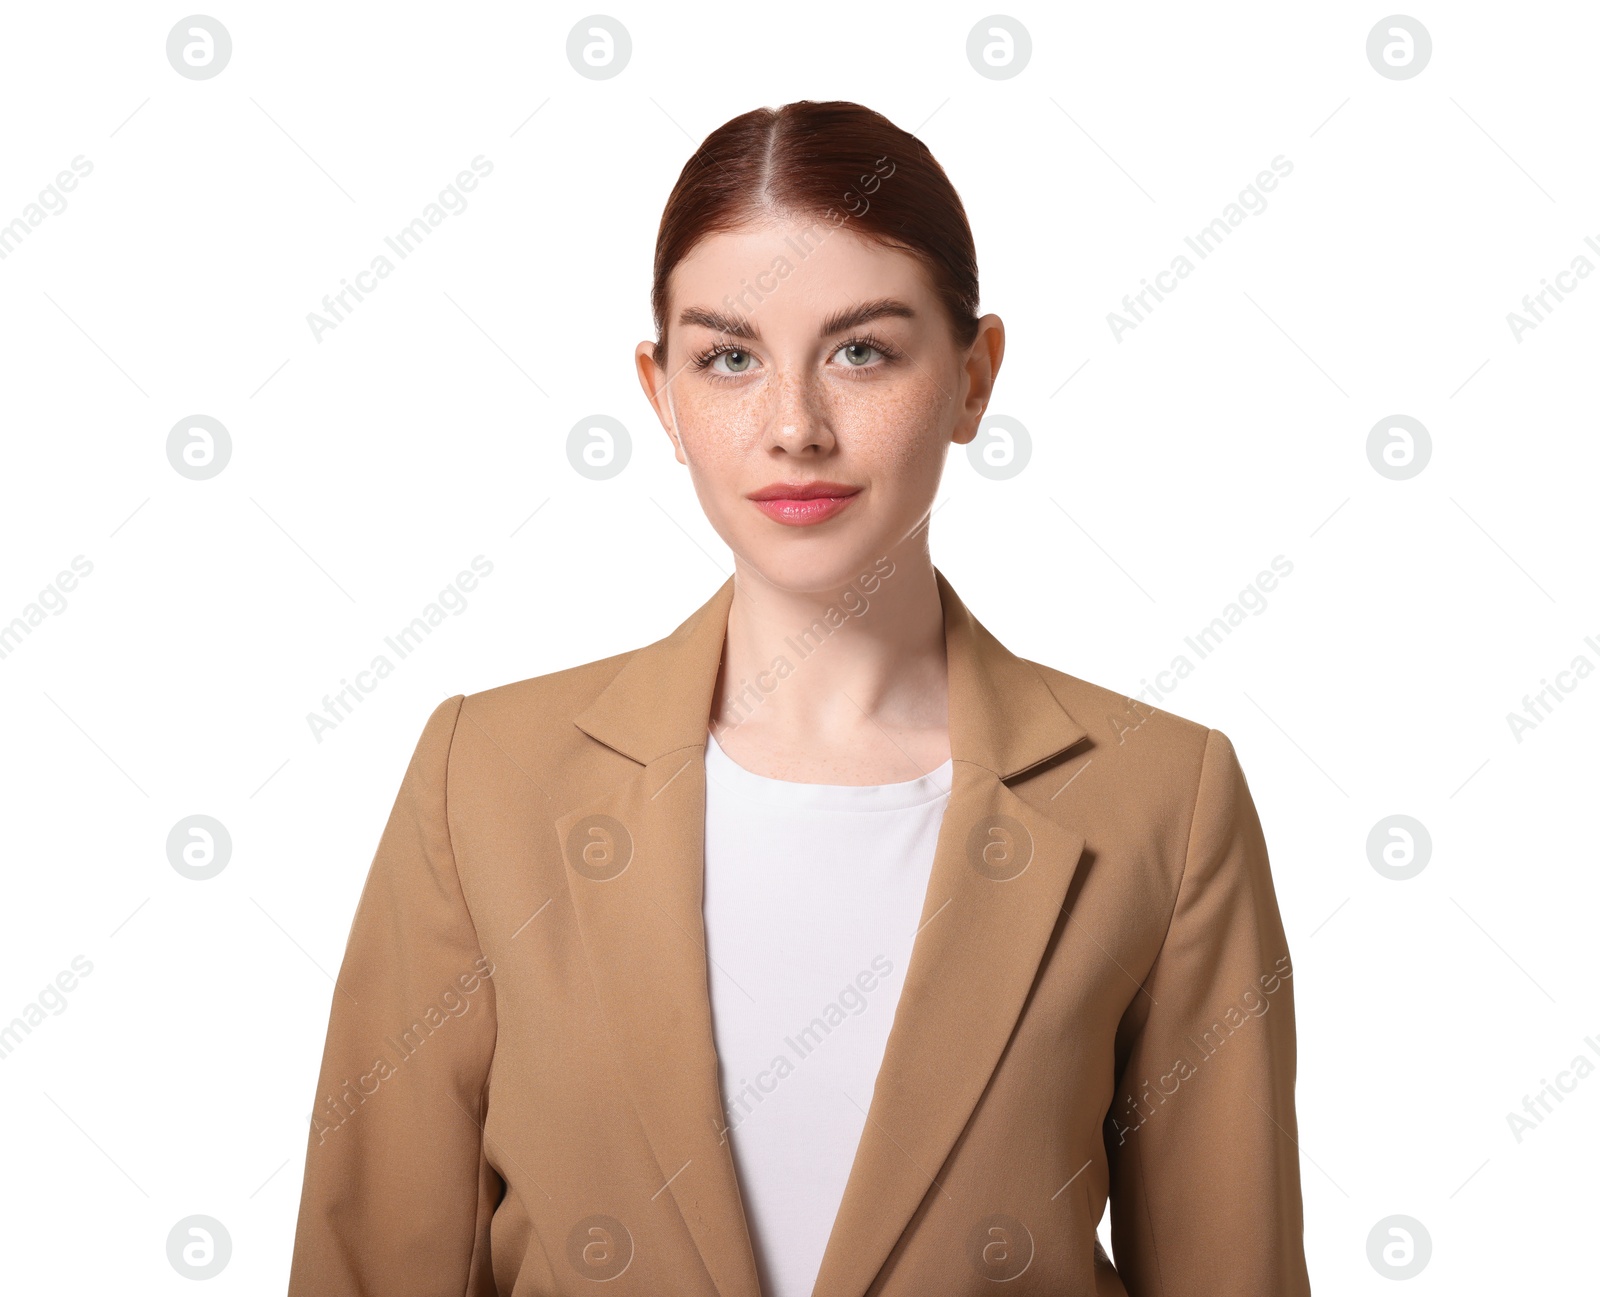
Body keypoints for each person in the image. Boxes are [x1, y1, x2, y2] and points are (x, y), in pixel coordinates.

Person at [286, 99, 1312, 1296]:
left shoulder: (1164, 799)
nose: (792, 427)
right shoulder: (482, 779)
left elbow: (1230, 1276)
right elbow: (367, 1270)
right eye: (728, 357)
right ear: (661, 392)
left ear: (973, 379)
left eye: (861, 350)